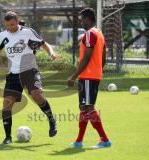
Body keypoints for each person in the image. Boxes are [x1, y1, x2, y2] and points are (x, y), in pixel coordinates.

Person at [0, 11, 58, 144]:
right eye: (7, 25)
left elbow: (43, 43)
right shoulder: (3, 35)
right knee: (7, 103)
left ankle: (52, 121)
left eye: (12, 25)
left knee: (36, 95)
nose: (10, 28)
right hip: (13, 73)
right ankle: (8, 137)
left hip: (29, 70)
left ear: (17, 22)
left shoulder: (27, 32)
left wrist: (51, 53)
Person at [68, 8, 111, 148]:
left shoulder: (89, 34)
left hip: (87, 76)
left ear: (88, 19)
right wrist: (98, 70)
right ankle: (79, 141)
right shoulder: (99, 33)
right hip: (93, 75)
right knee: (83, 108)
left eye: (81, 19)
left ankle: (104, 140)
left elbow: (86, 58)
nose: (80, 22)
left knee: (88, 107)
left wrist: (74, 76)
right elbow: (104, 56)